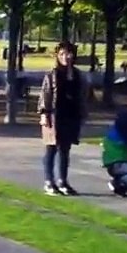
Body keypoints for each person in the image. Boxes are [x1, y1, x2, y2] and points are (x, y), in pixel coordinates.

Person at [36, 41, 89, 195]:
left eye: (68, 53)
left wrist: (83, 113)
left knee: (65, 150)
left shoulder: (78, 75)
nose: (66, 57)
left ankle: (63, 181)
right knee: (51, 148)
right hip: (54, 114)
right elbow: (45, 94)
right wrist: (44, 114)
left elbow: (82, 95)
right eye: (62, 54)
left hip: (71, 115)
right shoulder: (52, 75)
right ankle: (49, 181)